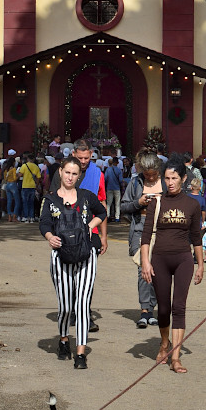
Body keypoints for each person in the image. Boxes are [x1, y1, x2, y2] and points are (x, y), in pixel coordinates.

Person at [40, 156, 107, 369]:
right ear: (60, 172)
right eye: (67, 172)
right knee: (66, 306)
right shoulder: (50, 199)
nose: (70, 177)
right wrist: (50, 237)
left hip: (86, 255)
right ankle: (63, 339)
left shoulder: (86, 196)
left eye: (74, 174)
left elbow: (102, 212)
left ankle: (80, 353)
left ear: (79, 176)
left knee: (82, 304)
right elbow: (44, 223)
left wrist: (90, 225)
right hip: (61, 256)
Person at [140, 158, 204, 373]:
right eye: (167, 178)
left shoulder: (192, 204)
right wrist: (145, 262)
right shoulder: (156, 203)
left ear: (184, 179)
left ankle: (175, 358)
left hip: (183, 260)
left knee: (179, 307)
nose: (170, 182)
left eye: (174, 178)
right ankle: (164, 342)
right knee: (164, 308)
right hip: (159, 260)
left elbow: (196, 237)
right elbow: (146, 235)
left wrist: (201, 264)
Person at [122, 150, 164, 328]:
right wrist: (138, 203)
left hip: (161, 229)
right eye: (147, 175)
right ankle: (144, 310)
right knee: (143, 269)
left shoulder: (166, 182)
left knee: (157, 270)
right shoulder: (135, 182)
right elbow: (124, 206)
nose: (151, 178)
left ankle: (152, 308)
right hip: (140, 227)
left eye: (153, 175)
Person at [20, 152, 42, 223]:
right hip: (32, 186)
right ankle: (31, 217)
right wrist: (36, 184)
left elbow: (20, 174)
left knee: (25, 202)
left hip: (25, 186)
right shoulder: (36, 167)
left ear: (28, 159)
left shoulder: (24, 166)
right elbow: (38, 177)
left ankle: (26, 217)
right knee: (31, 202)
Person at [104, 156, 124, 223]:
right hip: (117, 188)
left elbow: (105, 178)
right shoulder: (119, 170)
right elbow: (121, 180)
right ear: (117, 162)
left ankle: (107, 216)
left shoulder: (108, 170)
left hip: (109, 188)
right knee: (117, 203)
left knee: (109, 203)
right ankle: (117, 217)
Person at [4, 155, 21, 222]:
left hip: (7, 184)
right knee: (17, 201)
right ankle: (14, 216)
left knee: (9, 201)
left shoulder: (6, 170)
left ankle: (9, 217)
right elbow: (14, 178)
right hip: (13, 185)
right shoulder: (13, 169)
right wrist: (18, 176)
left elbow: (5, 178)